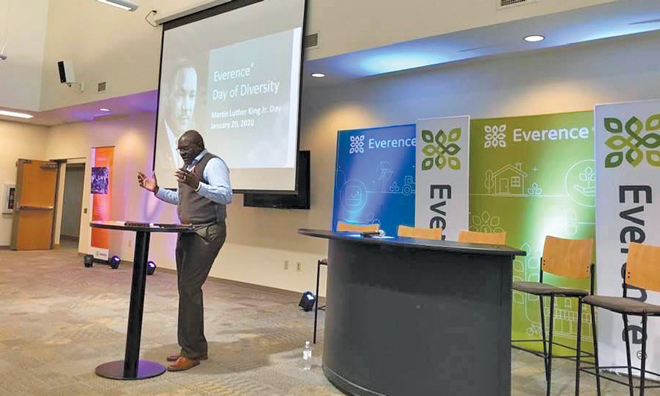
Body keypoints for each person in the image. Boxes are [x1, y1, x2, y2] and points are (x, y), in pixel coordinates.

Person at [137, 130, 232, 372]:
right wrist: (156, 190)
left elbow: (226, 195)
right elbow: (181, 198)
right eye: (179, 149)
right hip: (189, 231)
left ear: (199, 145)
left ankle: (191, 353)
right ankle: (194, 347)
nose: (182, 153)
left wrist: (197, 184)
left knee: (189, 288)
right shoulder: (186, 169)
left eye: (186, 148)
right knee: (186, 289)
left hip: (207, 232)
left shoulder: (214, 164)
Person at [158, 60, 199, 169]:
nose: (186, 107)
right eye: (180, 95)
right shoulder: (157, 143)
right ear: (168, 95)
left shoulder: (198, 147)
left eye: (192, 96)